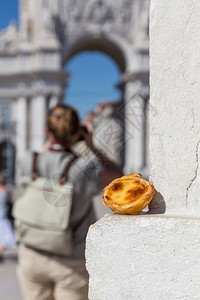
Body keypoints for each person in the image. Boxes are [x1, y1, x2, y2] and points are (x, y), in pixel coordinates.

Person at [16, 104, 123, 300]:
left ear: (47, 131)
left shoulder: (27, 159)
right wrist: (92, 145)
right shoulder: (85, 167)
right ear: (78, 133)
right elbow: (118, 176)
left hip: (31, 253)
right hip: (70, 261)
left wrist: (50, 141)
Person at [0, 172, 16, 260]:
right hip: (3, 216)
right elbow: (11, 201)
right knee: (4, 237)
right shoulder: (7, 190)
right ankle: (0, 253)